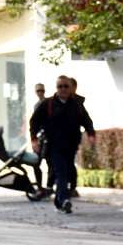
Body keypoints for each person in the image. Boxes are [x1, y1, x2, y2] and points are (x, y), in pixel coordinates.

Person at [30, 75, 96, 214]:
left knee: (65, 171)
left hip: (71, 145)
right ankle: (65, 199)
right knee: (61, 173)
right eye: (60, 86)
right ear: (56, 88)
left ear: (71, 88)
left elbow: (86, 120)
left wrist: (91, 134)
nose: (63, 89)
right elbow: (34, 121)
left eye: (66, 86)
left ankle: (59, 201)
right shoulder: (47, 104)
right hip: (54, 145)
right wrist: (34, 139)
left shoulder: (76, 104)